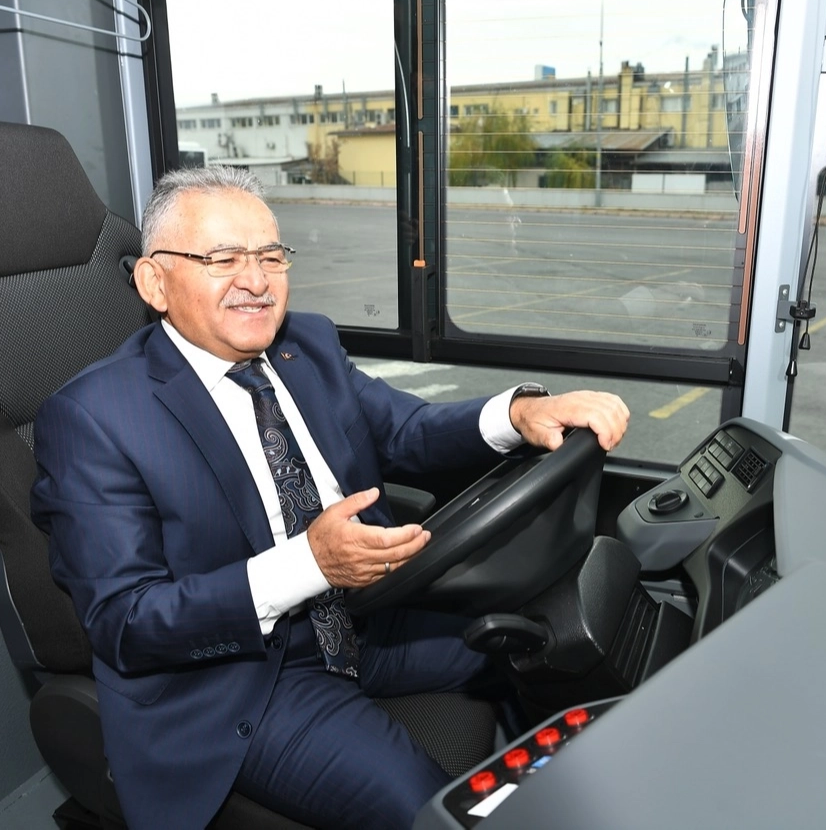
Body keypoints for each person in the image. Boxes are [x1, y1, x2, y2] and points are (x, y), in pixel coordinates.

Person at [31, 166, 629, 830]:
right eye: (223, 259)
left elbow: (405, 430)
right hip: (244, 678)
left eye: (270, 256)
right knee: (428, 810)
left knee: (545, 644)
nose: (256, 281)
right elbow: (126, 623)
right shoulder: (93, 416)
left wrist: (516, 412)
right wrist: (310, 564)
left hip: (363, 616)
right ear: (154, 282)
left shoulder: (305, 344)